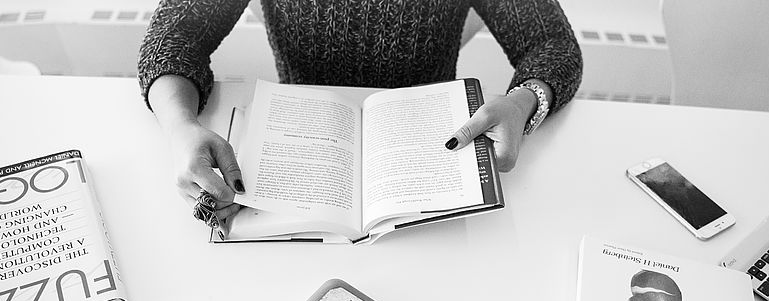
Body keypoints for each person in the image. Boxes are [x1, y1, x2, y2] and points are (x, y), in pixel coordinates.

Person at [138, 0, 582, 229]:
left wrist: (522, 101)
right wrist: (181, 127)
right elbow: (173, 34)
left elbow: (553, 44)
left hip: (430, 161)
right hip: (299, 157)